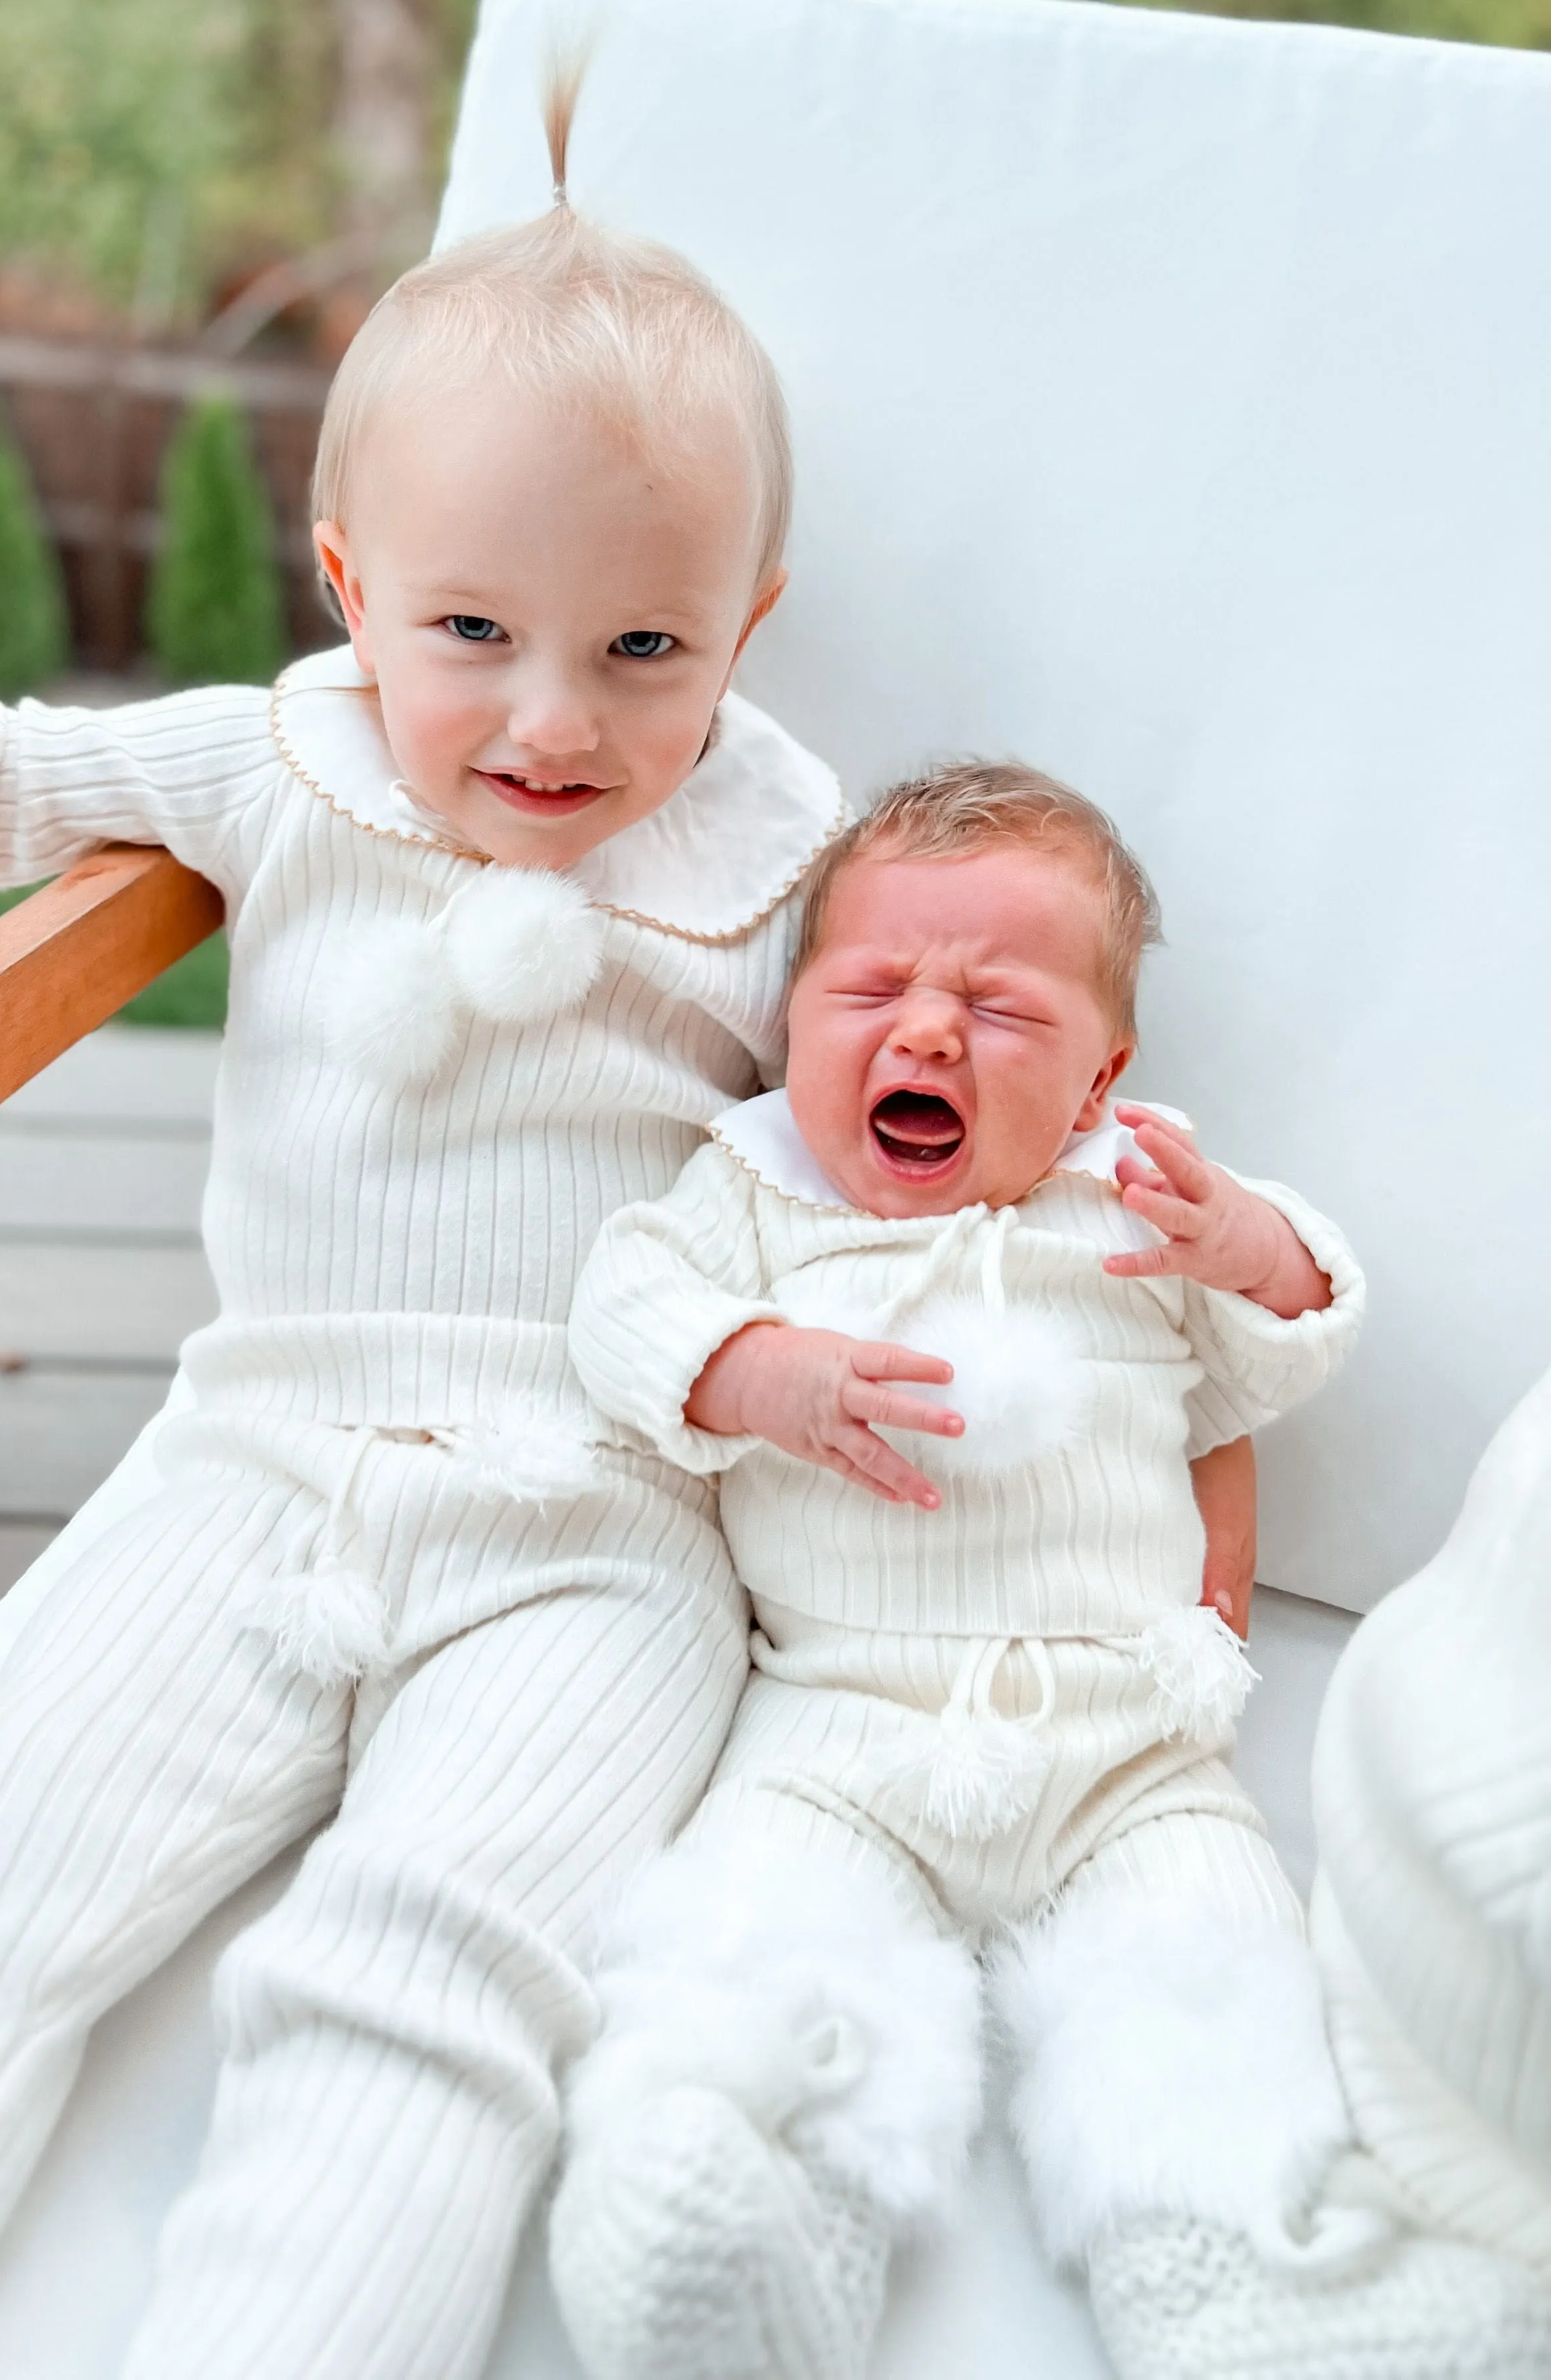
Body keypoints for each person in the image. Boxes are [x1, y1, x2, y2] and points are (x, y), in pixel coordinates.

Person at [0, 95, 880, 2380]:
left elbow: (892, 1136)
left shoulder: (789, 869)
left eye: (647, 649)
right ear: (354, 581)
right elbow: (0, 792)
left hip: (603, 1529)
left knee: (435, 1967)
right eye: (475, 628)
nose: (554, 721)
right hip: (252, 1466)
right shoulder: (285, 765)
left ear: (747, 628)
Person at [546, 760, 1551, 2380]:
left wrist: (1249, 1246)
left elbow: (1287, 1344)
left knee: (1215, 1994)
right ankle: (738, 2215)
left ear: (1102, 1077)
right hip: (836, 1735)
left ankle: (1257, 2276)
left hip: (1130, 1755)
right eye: (869, 989)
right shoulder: (748, 1194)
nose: (928, 1032)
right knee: (754, 1952)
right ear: (794, 1022)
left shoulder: (1136, 1204)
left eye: (1001, 1012)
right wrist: (753, 1367)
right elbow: (621, 1309)